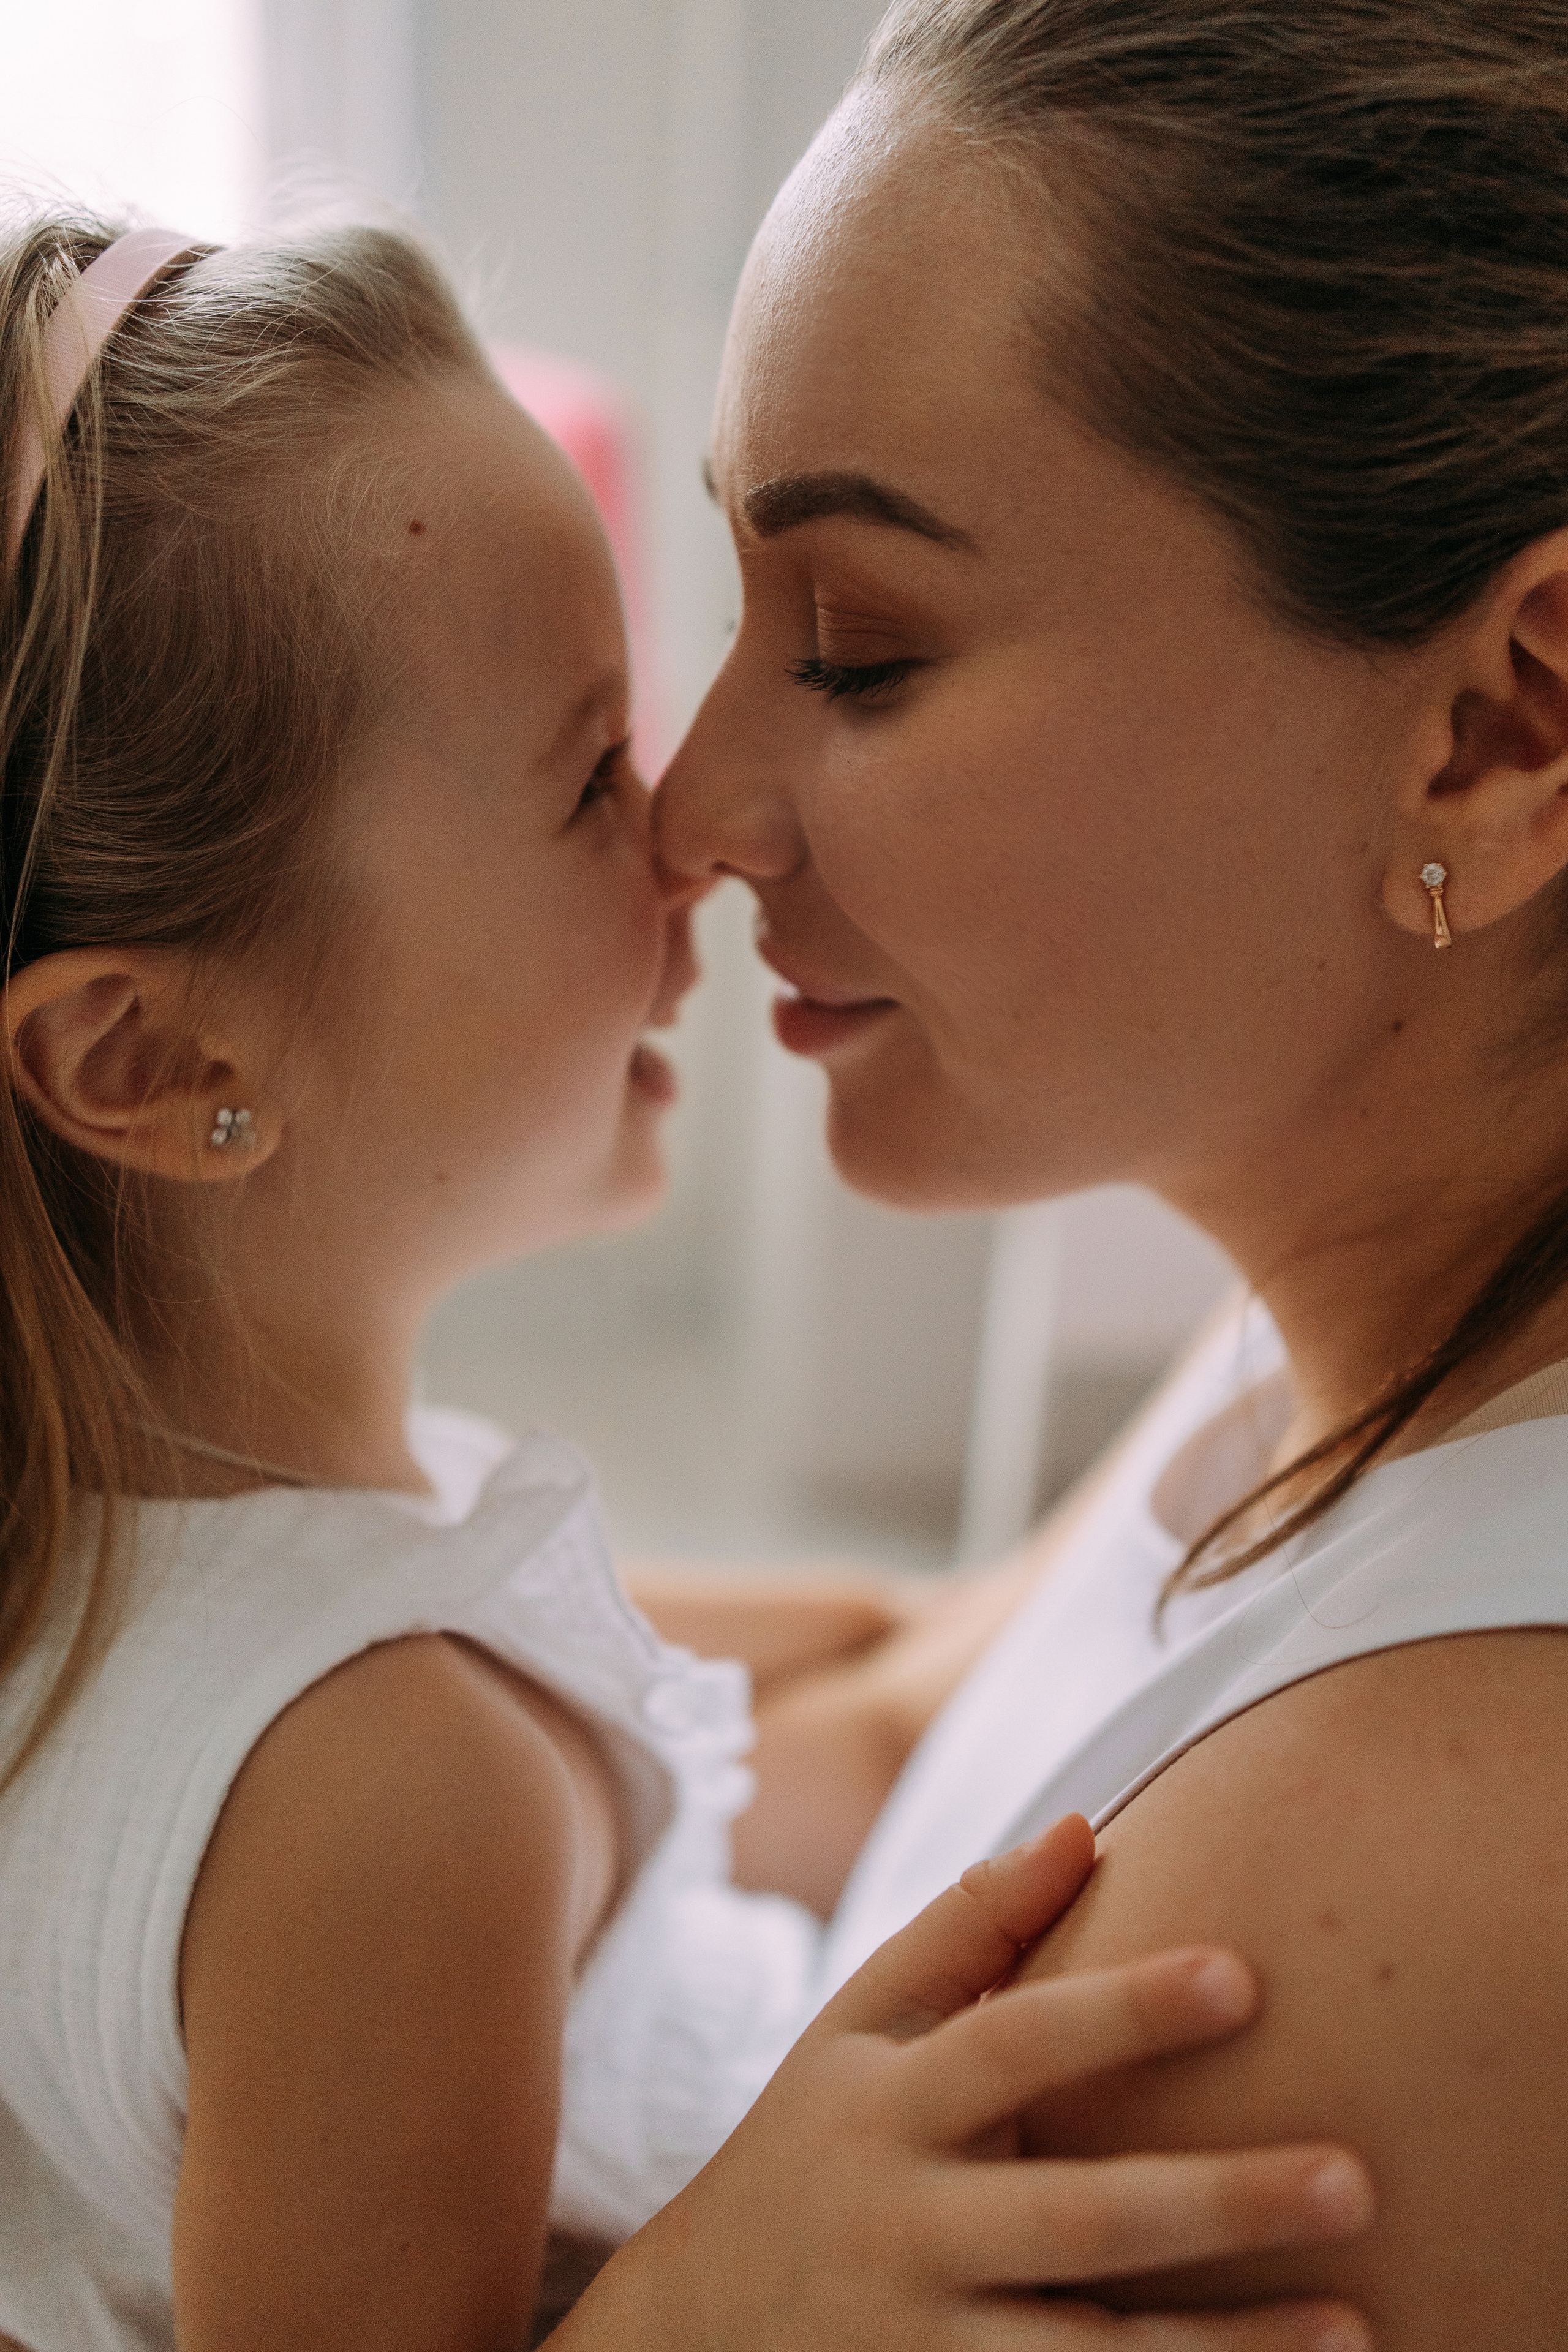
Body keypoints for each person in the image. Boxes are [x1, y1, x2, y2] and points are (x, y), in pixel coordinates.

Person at [0, 209, 1374, 2351]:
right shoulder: (386, 1784)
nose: (691, 835)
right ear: (157, 1058)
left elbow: (793, 1686)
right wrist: (718, 2297)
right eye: (583, 775)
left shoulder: (162, 1553)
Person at [654, 2, 1568, 2344]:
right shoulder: (1371, 1292)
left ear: (1500, 734)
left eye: (854, 644)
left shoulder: (1386, 1886)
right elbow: (886, 1709)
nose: (690, 812)